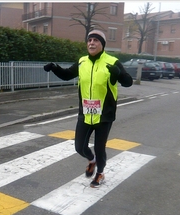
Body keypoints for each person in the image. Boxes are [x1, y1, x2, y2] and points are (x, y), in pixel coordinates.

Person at [43, 30, 133, 188]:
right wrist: (54, 67)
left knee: (100, 148)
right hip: (85, 113)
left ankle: (100, 173)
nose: (91, 43)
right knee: (79, 147)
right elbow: (66, 75)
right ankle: (92, 161)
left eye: (96, 40)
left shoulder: (112, 61)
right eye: (89, 40)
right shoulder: (82, 61)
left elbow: (128, 82)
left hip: (104, 114)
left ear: (102, 44)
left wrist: (118, 73)